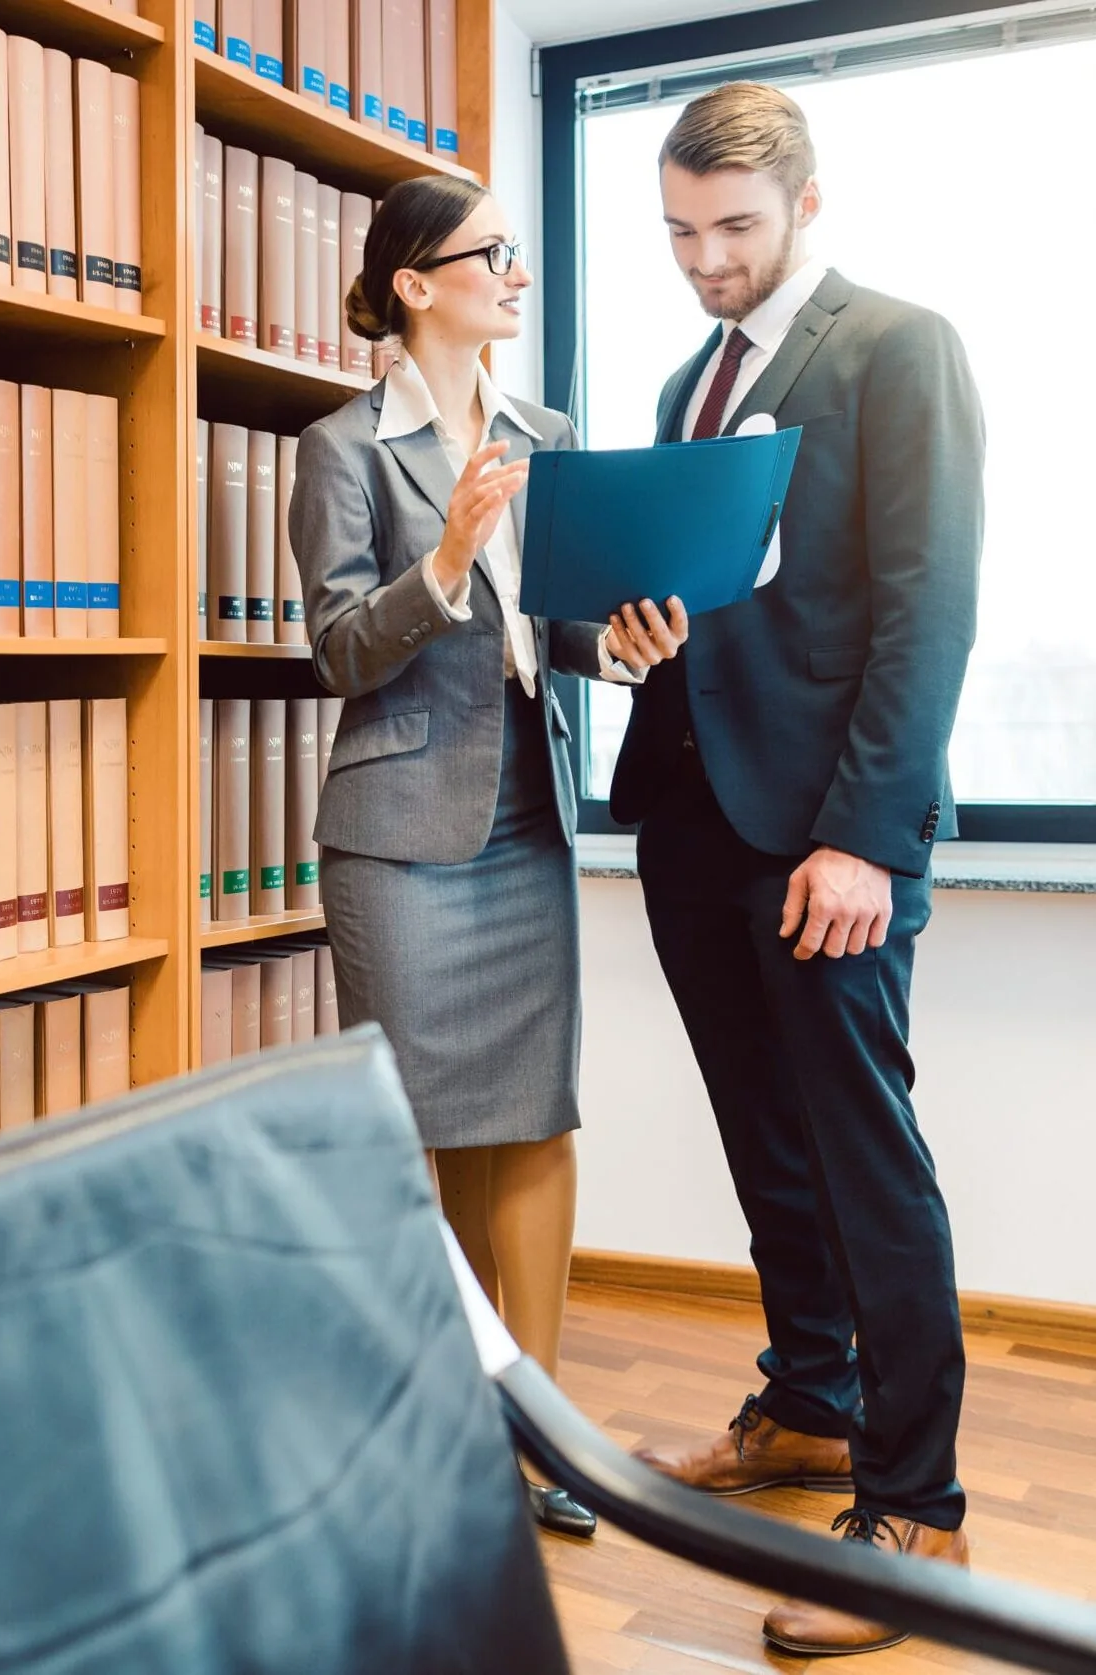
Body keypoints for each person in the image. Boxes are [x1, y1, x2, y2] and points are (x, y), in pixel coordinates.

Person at [612, 82, 984, 1656]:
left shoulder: (896, 347)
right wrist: (631, 635)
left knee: (859, 1155)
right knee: (764, 1138)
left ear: (806, 206)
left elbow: (925, 602)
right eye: (678, 233)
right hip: (691, 815)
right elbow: (706, 606)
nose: (705, 261)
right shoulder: (683, 381)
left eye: (734, 229)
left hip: (827, 832)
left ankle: (917, 1505)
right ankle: (810, 1405)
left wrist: (865, 838)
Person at [288, 175, 688, 1540]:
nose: (516, 273)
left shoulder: (546, 435)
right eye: (492, 254)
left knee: (532, 1117)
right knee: (427, 1133)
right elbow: (338, 651)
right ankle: (453, 1427)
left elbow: (556, 626)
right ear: (414, 283)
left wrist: (619, 648)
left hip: (526, 817)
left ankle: (548, 1437)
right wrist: (448, 555)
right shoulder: (341, 449)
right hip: (398, 834)